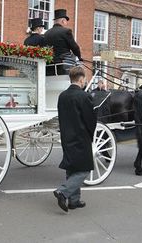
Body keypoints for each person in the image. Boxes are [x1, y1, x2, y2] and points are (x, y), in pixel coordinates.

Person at [53, 66, 97, 212]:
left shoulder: (62, 96)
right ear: (81, 79)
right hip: (81, 137)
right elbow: (91, 120)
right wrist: (90, 135)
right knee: (84, 169)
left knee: (72, 167)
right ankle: (63, 191)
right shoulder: (84, 96)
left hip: (66, 135)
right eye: (84, 79)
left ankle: (74, 200)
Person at [43, 9, 82, 75]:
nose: (66, 23)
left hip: (49, 67)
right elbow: (75, 47)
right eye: (66, 21)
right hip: (63, 65)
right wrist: (79, 57)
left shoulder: (46, 33)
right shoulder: (66, 31)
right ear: (63, 21)